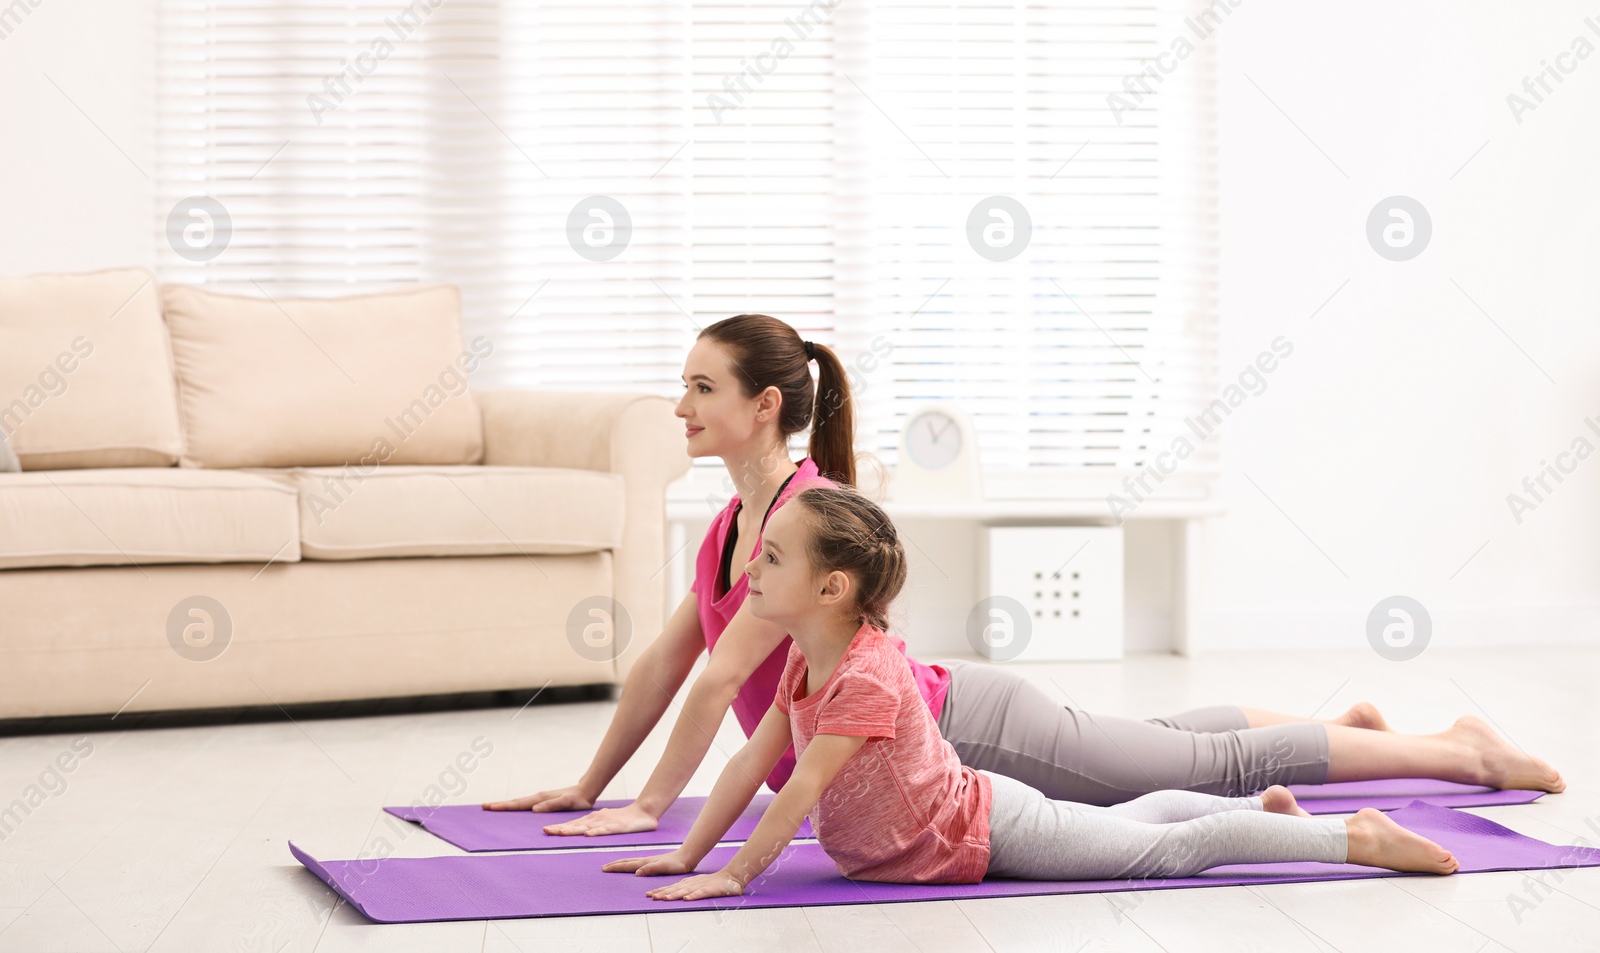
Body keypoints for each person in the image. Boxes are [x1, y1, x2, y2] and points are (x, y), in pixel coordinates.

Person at [485, 314, 1563, 833]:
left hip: (962, 729)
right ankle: (1366, 729)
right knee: (1174, 749)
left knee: (1214, 771)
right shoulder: (731, 519)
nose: (679, 406)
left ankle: (1456, 753)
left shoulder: (803, 514)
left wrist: (648, 806)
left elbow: (723, 680)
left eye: (699, 387)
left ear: (763, 405)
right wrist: (592, 782)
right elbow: (669, 665)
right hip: (944, 720)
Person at [603, 487, 1460, 900]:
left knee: (1162, 851)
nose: (751, 566)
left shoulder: (865, 672)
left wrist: (735, 876)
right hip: (969, 819)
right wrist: (687, 852)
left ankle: (1356, 838)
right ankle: (1273, 809)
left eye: (774, 557)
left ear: (831, 589)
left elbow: (797, 789)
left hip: (979, 830)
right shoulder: (801, 660)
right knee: (1129, 823)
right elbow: (754, 760)